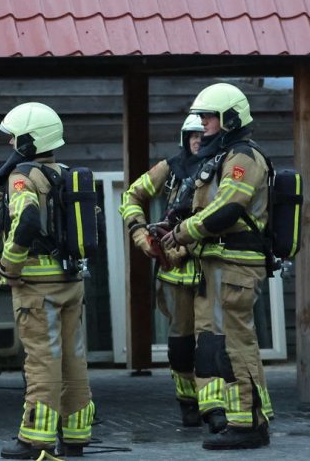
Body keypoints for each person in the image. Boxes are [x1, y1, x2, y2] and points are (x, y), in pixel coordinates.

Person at [161, 83, 274, 450]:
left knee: (234, 345)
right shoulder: (224, 157)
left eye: (209, 116)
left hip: (235, 266)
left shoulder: (243, 157)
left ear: (230, 119)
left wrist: (183, 232)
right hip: (219, 265)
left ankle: (247, 425)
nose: (203, 123)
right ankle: (247, 421)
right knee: (225, 344)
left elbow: (227, 209)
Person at [0, 102, 96, 459]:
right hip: (71, 281)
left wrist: (9, 265)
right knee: (73, 359)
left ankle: (34, 439)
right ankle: (76, 435)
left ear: (30, 141)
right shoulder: (66, 174)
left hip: (38, 289)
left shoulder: (22, 177)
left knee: (42, 361)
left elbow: (28, 222)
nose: (10, 145)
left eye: (14, 138)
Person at [120, 114, 205, 428]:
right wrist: (140, 234)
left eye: (203, 134)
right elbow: (131, 196)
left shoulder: (226, 168)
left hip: (213, 270)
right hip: (175, 276)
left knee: (215, 346)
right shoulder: (170, 169)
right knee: (181, 347)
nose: (198, 140)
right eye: (192, 135)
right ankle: (188, 404)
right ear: (185, 139)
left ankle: (220, 407)